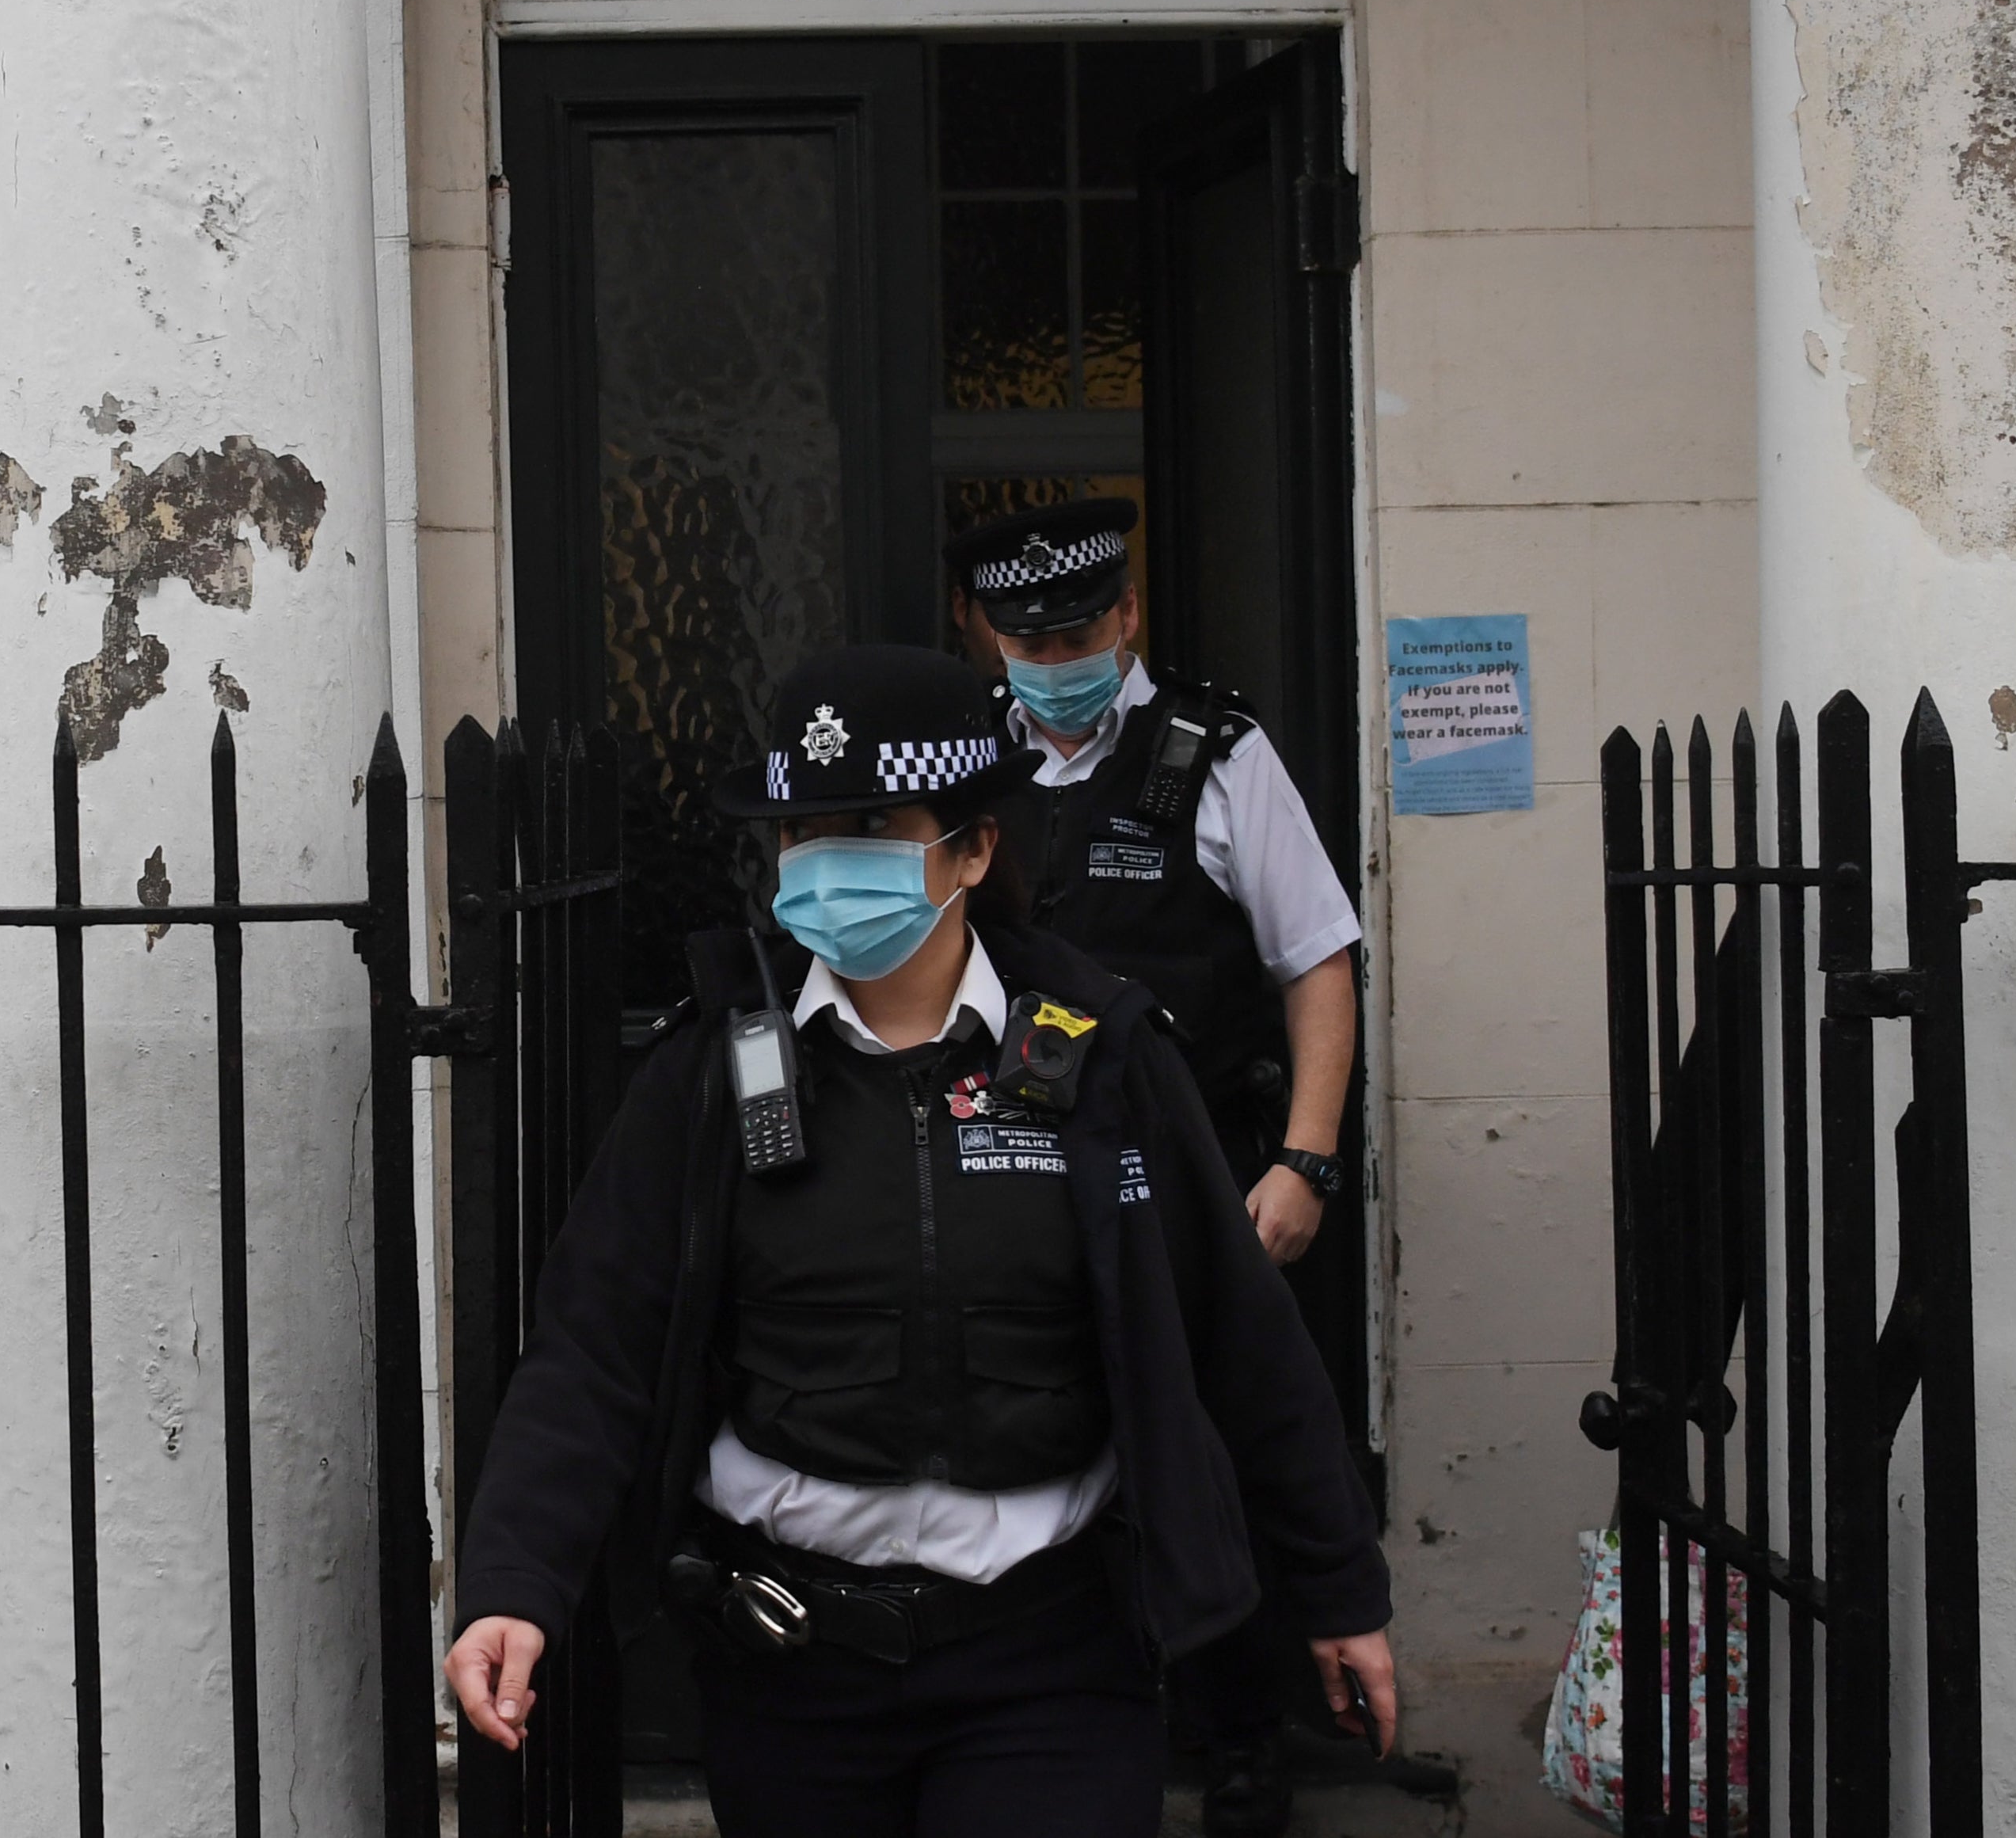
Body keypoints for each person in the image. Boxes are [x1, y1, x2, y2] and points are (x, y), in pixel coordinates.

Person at [443, 645, 1393, 1836]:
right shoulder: (708, 1071)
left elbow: (1238, 1339)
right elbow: (594, 1348)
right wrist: (514, 1586)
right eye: (805, 832)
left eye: (874, 826)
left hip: (1051, 1659)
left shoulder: (1102, 1052)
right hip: (790, 1663)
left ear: (974, 848)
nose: (830, 861)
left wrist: (1336, 1588)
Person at [947, 497, 1365, 1835]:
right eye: (1021, 633)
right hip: (1018, 1169)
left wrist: (1305, 1157)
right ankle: (1058, 1713)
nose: (1050, 653)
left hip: (1200, 1178)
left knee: (1219, 1446)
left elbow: (1316, 961)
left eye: (1072, 628)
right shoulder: (967, 770)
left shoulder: (1215, 755)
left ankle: (1243, 1739)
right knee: (1048, 1432)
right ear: (984, 636)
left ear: (1125, 620)